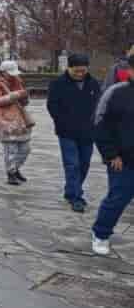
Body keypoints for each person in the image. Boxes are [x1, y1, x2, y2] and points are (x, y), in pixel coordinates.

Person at [91, 54, 134, 256]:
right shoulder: (116, 93)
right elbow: (101, 125)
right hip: (122, 159)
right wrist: (111, 154)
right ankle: (101, 234)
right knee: (118, 198)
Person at [47, 53, 101, 213]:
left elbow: (99, 105)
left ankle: (71, 190)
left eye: (82, 71)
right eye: (76, 71)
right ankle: (76, 197)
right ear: (69, 68)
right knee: (72, 165)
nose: (79, 74)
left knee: (84, 164)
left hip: (88, 132)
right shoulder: (58, 84)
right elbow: (52, 106)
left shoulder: (93, 83)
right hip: (67, 132)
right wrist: (62, 122)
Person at [0, 60, 33, 186]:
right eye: (10, 73)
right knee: (11, 149)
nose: (13, 75)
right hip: (4, 120)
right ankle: (11, 173)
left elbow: (23, 101)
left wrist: (24, 97)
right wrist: (16, 94)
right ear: (3, 72)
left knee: (25, 148)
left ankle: (16, 168)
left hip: (19, 120)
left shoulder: (17, 80)